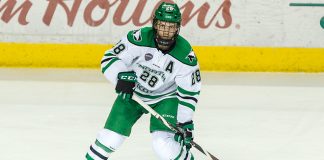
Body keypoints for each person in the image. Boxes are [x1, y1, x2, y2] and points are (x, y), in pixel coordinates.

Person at [86, 2, 201, 160]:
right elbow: (109, 58)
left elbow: (189, 92)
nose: (166, 31)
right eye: (162, 25)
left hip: (166, 98)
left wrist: (185, 122)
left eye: (171, 26)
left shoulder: (186, 56)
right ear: (154, 24)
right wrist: (121, 76)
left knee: (163, 145)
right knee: (109, 139)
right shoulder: (137, 38)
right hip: (133, 94)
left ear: (178, 28)